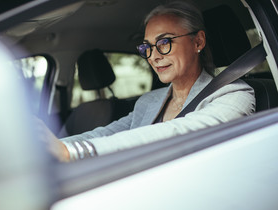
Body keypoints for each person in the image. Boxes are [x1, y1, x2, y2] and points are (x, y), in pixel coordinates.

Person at [36, 0, 255, 162]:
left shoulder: (235, 95)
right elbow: (108, 132)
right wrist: (54, 146)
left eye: (165, 42)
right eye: (147, 47)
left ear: (198, 41)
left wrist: (75, 152)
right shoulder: (149, 101)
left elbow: (180, 132)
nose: (153, 55)